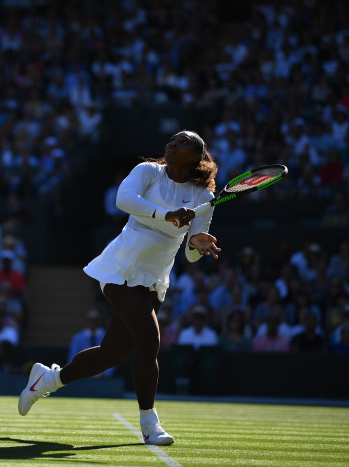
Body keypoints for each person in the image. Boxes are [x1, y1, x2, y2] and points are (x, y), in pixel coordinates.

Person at [17, 130, 220, 446]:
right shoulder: (148, 172)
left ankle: (46, 381)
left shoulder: (203, 197)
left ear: (196, 157)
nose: (172, 143)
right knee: (149, 339)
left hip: (154, 278)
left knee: (111, 354)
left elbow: (192, 254)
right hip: (121, 267)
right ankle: (149, 424)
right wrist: (166, 215)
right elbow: (122, 200)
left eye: (183, 143)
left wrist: (196, 241)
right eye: (172, 139)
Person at [67, 309, 114, 377]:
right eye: (90, 320)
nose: (92, 322)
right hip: (82, 376)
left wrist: (105, 373)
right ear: (86, 321)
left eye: (95, 320)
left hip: (103, 378)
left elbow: (112, 358)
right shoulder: (77, 338)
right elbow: (72, 358)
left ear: (100, 321)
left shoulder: (107, 337)